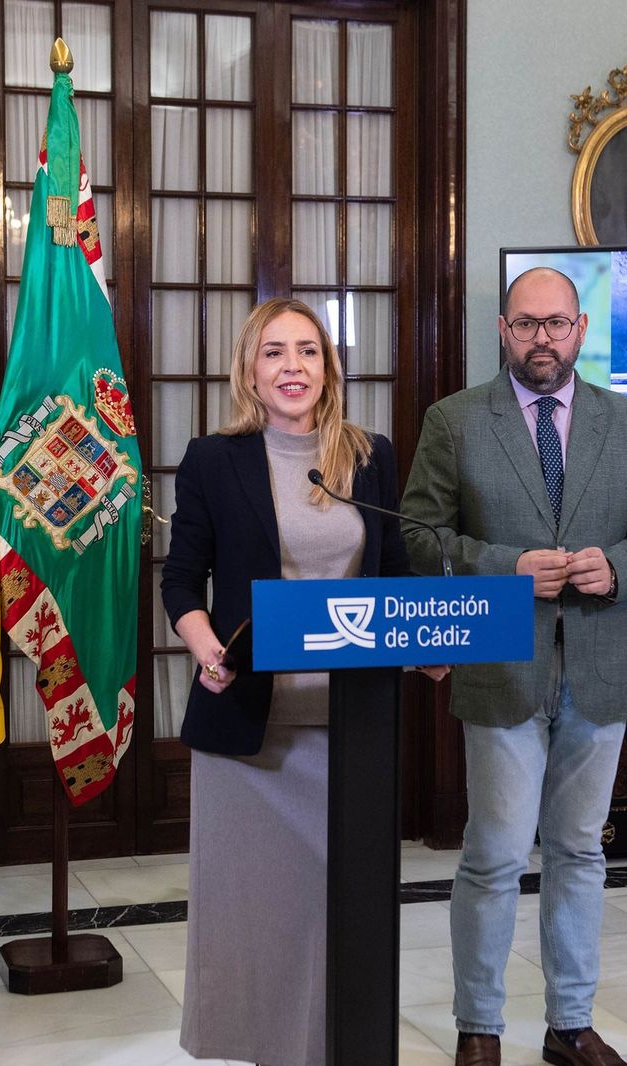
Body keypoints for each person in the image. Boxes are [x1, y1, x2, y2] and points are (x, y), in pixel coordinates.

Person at [401, 267, 627, 1066]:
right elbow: (420, 537)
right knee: (492, 856)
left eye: (557, 324)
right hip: (502, 669)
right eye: (527, 325)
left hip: (600, 667)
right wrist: (505, 564)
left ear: (582, 329)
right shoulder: (455, 421)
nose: (543, 340)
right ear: (502, 329)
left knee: (580, 853)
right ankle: (479, 1027)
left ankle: (570, 1024)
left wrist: (619, 567)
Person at [162, 297, 431, 1065]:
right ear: (251, 368)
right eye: (274, 352)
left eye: (307, 351)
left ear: (328, 366)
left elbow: (399, 574)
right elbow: (183, 581)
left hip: (351, 733)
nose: (292, 367)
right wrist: (206, 646)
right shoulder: (215, 459)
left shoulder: (368, 453)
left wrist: (427, 644)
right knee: (260, 919)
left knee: (336, 912)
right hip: (250, 734)